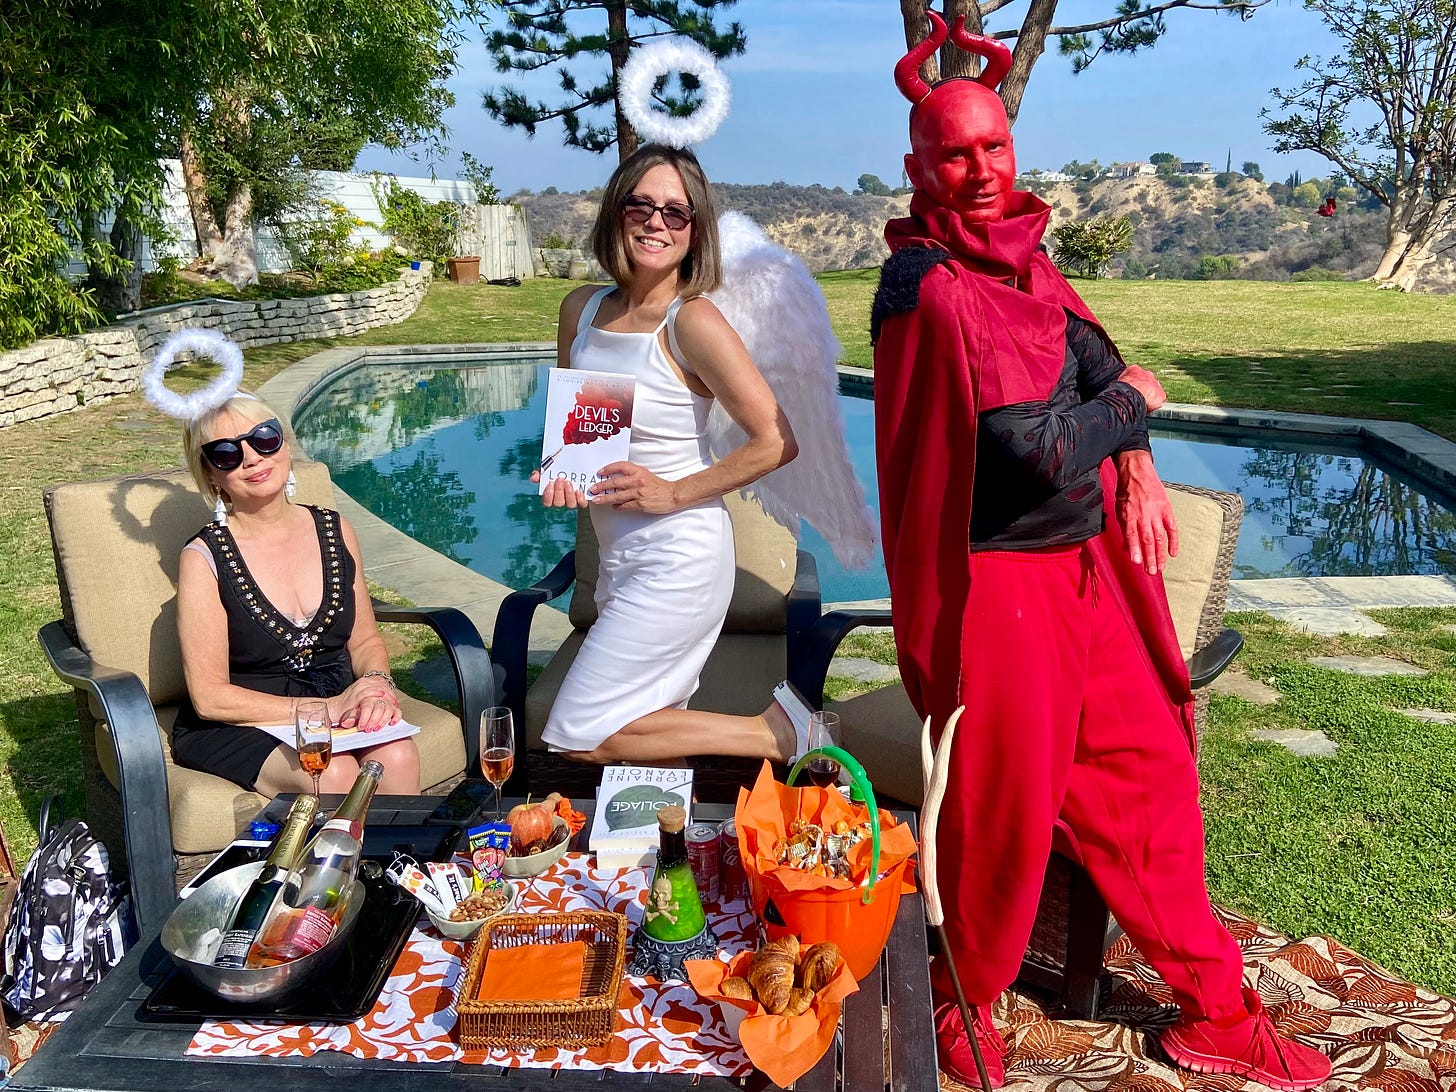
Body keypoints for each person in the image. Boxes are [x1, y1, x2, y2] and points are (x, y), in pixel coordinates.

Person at [872, 12, 1331, 1092]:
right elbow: (1033, 449)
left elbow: (1090, 360)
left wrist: (1134, 460)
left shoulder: (1027, 263)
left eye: (994, 146)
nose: (981, 170)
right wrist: (1136, 404)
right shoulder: (930, 286)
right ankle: (962, 999)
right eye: (955, 155)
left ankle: (1215, 1010)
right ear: (919, 169)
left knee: (1150, 778)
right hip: (997, 590)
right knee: (999, 813)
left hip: (1085, 579)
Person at [535, 143, 812, 765]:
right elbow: (579, 428)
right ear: (617, 211)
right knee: (652, 728)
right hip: (619, 556)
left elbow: (776, 440)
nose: (656, 222)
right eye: (641, 205)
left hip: (679, 557)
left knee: (579, 733)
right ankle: (665, 829)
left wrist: (673, 491)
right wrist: (564, 471)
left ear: (694, 229)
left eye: (675, 212)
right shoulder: (581, 309)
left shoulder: (692, 322)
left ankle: (776, 734)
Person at [172, 390, 422, 797]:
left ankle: (393, 844)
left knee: (397, 755)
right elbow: (209, 697)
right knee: (331, 770)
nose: (252, 457)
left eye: (264, 438)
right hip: (245, 720)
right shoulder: (203, 558)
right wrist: (325, 710)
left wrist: (377, 687)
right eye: (226, 453)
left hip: (335, 699)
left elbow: (364, 641)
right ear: (211, 474)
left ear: (284, 443)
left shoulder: (336, 529)